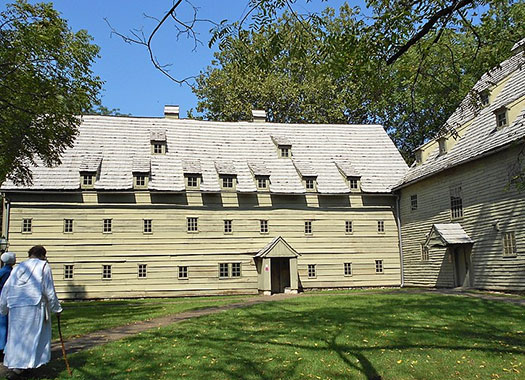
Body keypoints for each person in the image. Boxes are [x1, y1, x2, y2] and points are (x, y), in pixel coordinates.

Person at [0, 245, 62, 376]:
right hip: (34, 306)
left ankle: (19, 366)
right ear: (43, 255)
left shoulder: (18, 268)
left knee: (16, 336)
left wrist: (3, 308)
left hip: (15, 305)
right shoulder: (43, 266)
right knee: (30, 336)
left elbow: (6, 289)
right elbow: (49, 290)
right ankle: (22, 367)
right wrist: (56, 308)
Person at [0, 251, 16, 354]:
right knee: (4, 323)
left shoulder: (4, 270)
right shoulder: (8, 272)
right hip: (5, 298)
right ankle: (2, 347)